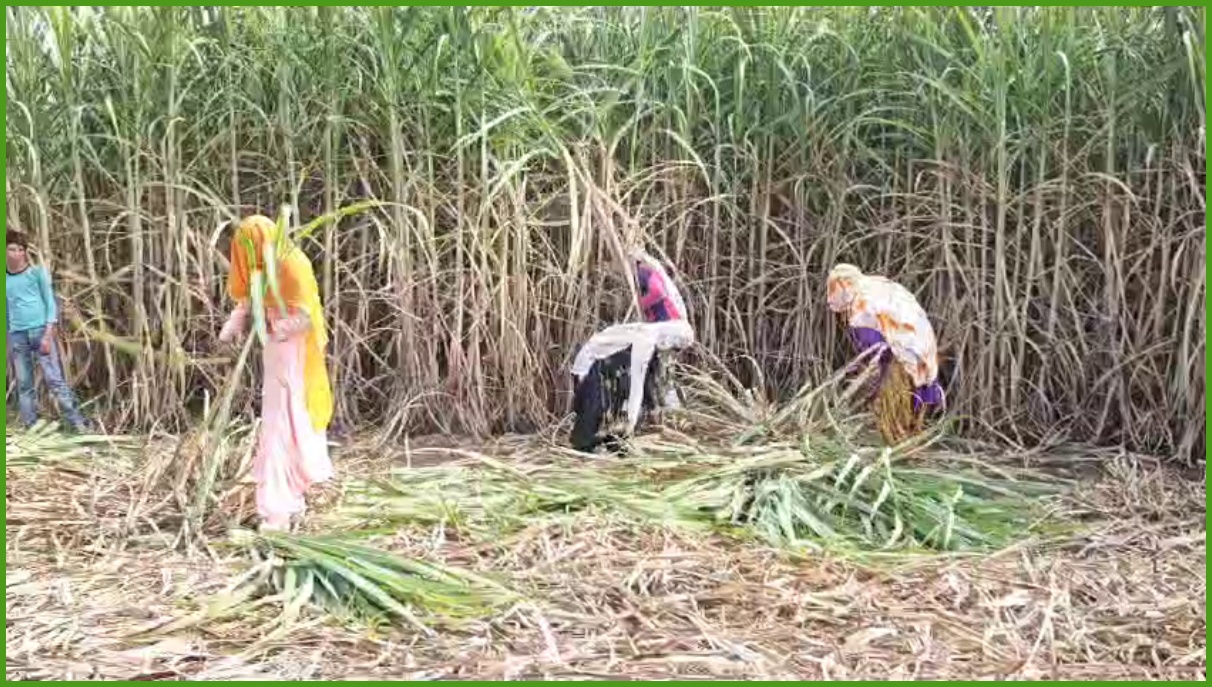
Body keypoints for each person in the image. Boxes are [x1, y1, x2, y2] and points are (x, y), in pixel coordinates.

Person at [218, 215, 334, 531]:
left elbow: (307, 315)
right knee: (276, 419)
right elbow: (245, 300)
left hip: (294, 354)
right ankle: (288, 494)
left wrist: (273, 326)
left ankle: (278, 506)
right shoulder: (259, 266)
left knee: (284, 422)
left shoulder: (291, 264)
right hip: (275, 355)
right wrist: (234, 326)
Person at [568, 245, 695, 447]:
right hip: (666, 334)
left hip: (668, 329)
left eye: (611, 263)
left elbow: (657, 292)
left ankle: (633, 422)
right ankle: (669, 418)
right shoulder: (641, 276)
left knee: (644, 369)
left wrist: (640, 303)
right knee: (662, 374)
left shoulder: (642, 272)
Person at [826, 263, 945, 444]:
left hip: (903, 354)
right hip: (921, 350)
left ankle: (897, 444)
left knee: (890, 404)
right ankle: (907, 442)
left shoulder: (861, 303)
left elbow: (874, 347)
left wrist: (869, 373)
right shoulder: (880, 286)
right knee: (904, 401)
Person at [6, 230, 88, 433]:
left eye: (20, 249)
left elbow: (51, 305)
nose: (15, 253)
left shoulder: (36, 274)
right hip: (17, 336)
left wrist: (48, 335)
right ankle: (30, 427)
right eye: (11, 249)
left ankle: (78, 423)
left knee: (55, 380)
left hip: (39, 331)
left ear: (25, 252)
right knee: (24, 384)